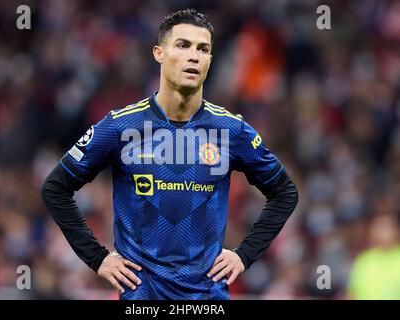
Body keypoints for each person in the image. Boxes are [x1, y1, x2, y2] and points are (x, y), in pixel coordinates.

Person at [41, 9, 298, 300]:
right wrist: (97, 258)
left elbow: (285, 192)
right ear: (159, 53)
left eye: (203, 49)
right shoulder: (121, 126)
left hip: (206, 301)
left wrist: (244, 255)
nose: (194, 56)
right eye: (183, 45)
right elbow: (55, 188)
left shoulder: (231, 130)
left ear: (210, 60)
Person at [347, 212, 400, 299]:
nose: (383, 232)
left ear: (397, 231)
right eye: (379, 227)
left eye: (387, 227)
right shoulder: (363, 260)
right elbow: (352, 294)